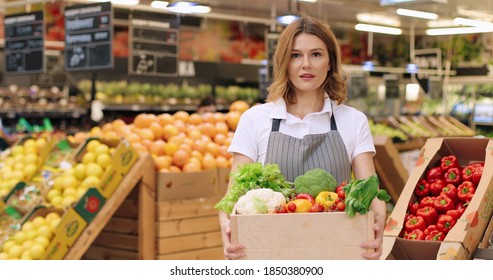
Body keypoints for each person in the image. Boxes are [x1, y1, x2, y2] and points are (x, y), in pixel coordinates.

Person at [218, 16, 386, 260]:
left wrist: (379, 223)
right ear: (284, 62)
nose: (306, 64)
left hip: (336, 252)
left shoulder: (352, 120)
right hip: (271, 254)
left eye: (316, 54)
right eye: (296, 55)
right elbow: (231, 197)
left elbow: (372, 193)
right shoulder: (255, 119)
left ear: (330, 62)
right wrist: (226, 224)